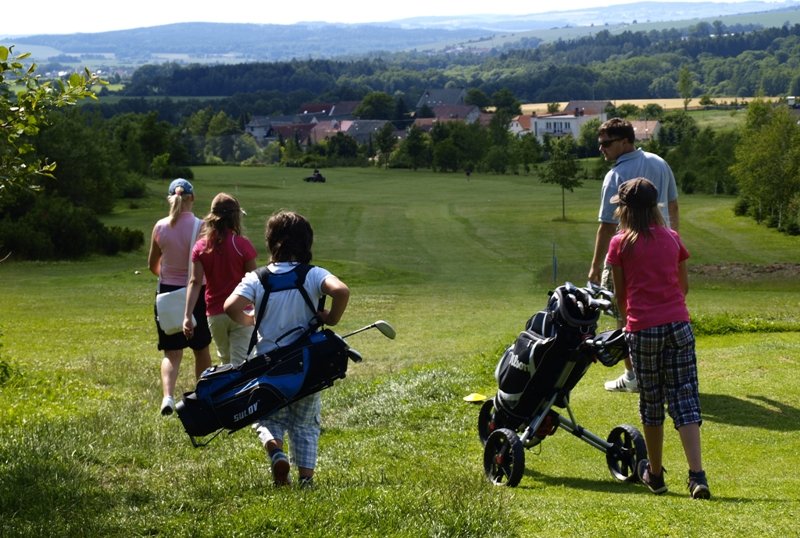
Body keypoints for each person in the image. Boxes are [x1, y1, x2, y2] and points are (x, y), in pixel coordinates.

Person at [224, 210, 350, 487]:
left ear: (270, 242)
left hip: (268, 364)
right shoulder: (314, 274)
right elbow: (341, 291)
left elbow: (230, 306)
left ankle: (276, 450)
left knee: (267, 416)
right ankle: (306, 480)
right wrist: (331, 317)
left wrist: (250, 319)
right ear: (307, 243)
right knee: (306, 424)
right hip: (307, 364)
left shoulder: (258, 277)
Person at [606, 177, 710, 499]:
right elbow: (684, 288)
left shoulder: (620, 244)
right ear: (654, 208)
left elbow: (620, 297)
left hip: (643, 329)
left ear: (625, 210)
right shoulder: (673, 239)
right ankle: (697, 475)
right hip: (679, 325)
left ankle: (655, 473)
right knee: (684, 397)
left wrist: (631, 319)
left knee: (652, 401)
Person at [588, 117, 679, 393]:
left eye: (607, 143)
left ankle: (632, 376)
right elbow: (673, 206)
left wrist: (594, 268)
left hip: (627, 251)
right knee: (662, 307)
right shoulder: (660, 162)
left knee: (623, 312)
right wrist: (675, 242)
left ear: (625, 141)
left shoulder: (614, 176)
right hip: (663, 249)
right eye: (600, 143)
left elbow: (606, 226)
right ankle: (658, 371)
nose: (602, 148)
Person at [147, 178, 212, 416]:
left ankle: (168, 397)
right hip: (196, 292)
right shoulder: (202, 226)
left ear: (169, 199)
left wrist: (168, 278)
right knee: (201, 349)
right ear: (192, 198)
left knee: (172, 353)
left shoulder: (160, 227)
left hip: (166, 293)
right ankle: (202, 396)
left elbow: (152, 264)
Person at [183, 193, 258, 366]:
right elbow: (255, 282)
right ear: (235, 218)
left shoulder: (201, 247)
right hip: (242, 311)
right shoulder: (241, 245)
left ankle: (227, 392)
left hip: (215, 314)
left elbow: (194, 282)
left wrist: (187, 316)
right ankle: (240, 393)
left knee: (225, 361)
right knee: (241, 363)